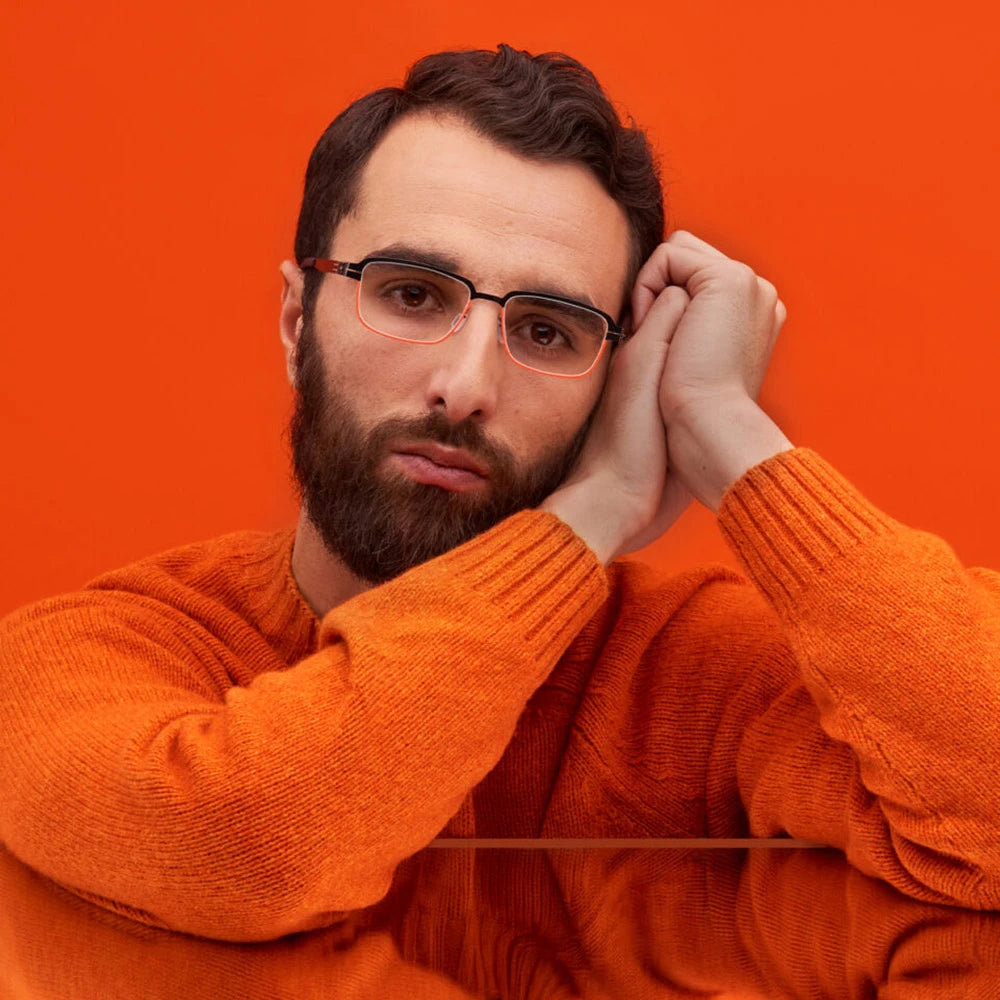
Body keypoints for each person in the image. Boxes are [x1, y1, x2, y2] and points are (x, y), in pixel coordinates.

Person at [1, 44, 997, 943]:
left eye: (545, 331)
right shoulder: (92, 657)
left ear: (616, 383)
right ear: (299, 323)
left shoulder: (699, 676)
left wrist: (730, 431)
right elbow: (244, 851)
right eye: (411, 294)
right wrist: (593, 510)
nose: (467, 386)